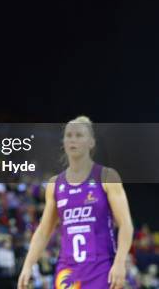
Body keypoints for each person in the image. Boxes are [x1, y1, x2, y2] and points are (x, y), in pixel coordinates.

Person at [18, 116, 134, 289]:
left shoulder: (107, 176)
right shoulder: (55, 184)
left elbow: (126, 225)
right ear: (64, 142)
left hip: (101, 268)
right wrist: (27, 266)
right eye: (69, 135)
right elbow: (43, 231)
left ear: (91, 142)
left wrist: (119, 263)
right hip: (68, 272)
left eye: (79, 135)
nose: (73, 139)